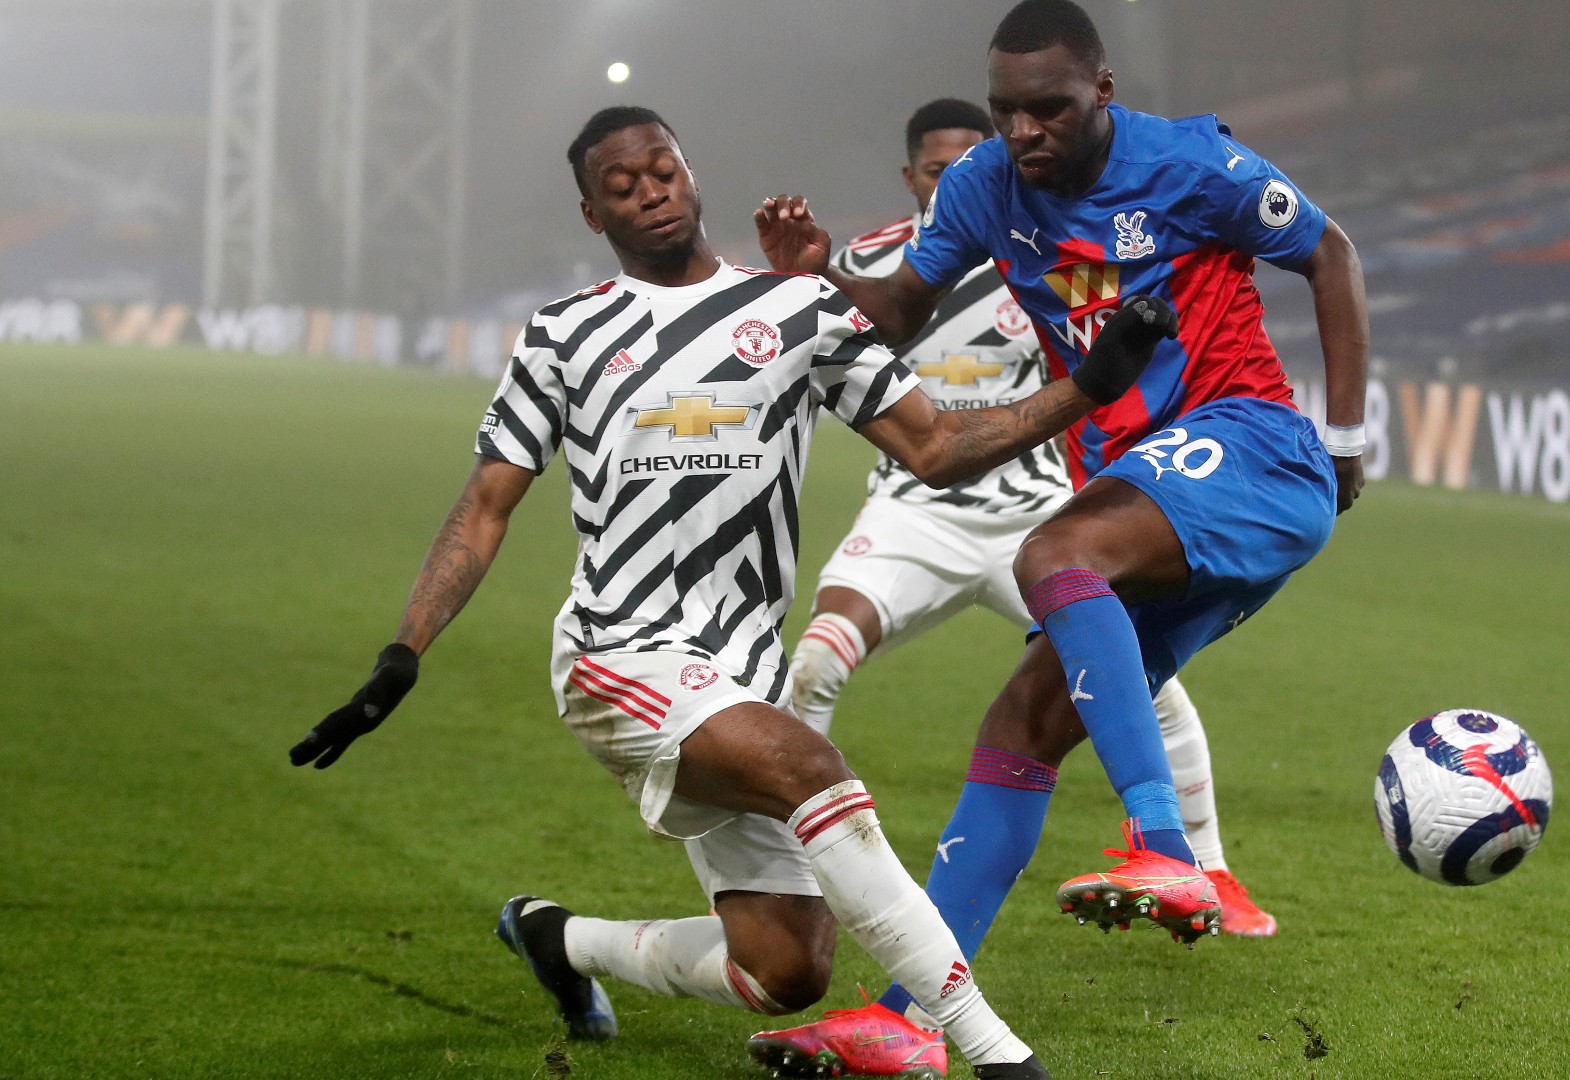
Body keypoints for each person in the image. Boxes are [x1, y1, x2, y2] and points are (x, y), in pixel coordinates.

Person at [288, 104, 1173, 1080]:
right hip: (617, 655)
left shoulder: (802, 311)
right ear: (594, 214)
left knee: (785, 967)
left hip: (734, 675)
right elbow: (484, 506)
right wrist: (401, 654)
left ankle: (558, 940)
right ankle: (1001, 1059)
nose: (648, 193)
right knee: (811, 767)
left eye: (660, 170)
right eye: (620, 187)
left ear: (690, 170)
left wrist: (1089, 383)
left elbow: (938, 447)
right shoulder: (565, 333)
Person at [754, 0, 1369, 1063]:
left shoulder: (1191, 165)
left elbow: (1333, 254)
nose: (1025, 130)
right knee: (1019, 723)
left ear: (1104, 93)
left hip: (1252, 448)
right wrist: (818, 273)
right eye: (1007, 111)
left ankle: (1167, 849)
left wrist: (1347, 439)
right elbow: (897, 312)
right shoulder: (987, 185)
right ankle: (906, 1024)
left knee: (1053, 552)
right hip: (1149, 495)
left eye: (1049, 108)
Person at [789, 98, 1276, 935]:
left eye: (971, 165)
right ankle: (788, 864)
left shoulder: (1044, 252)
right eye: (938, 172)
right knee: (816, 663)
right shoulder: (867, 265)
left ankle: (1211, 868)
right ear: (911, 179)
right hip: (914, 512)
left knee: (1147, 684)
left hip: (1034, 508)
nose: (959, 182)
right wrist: (811, 276)